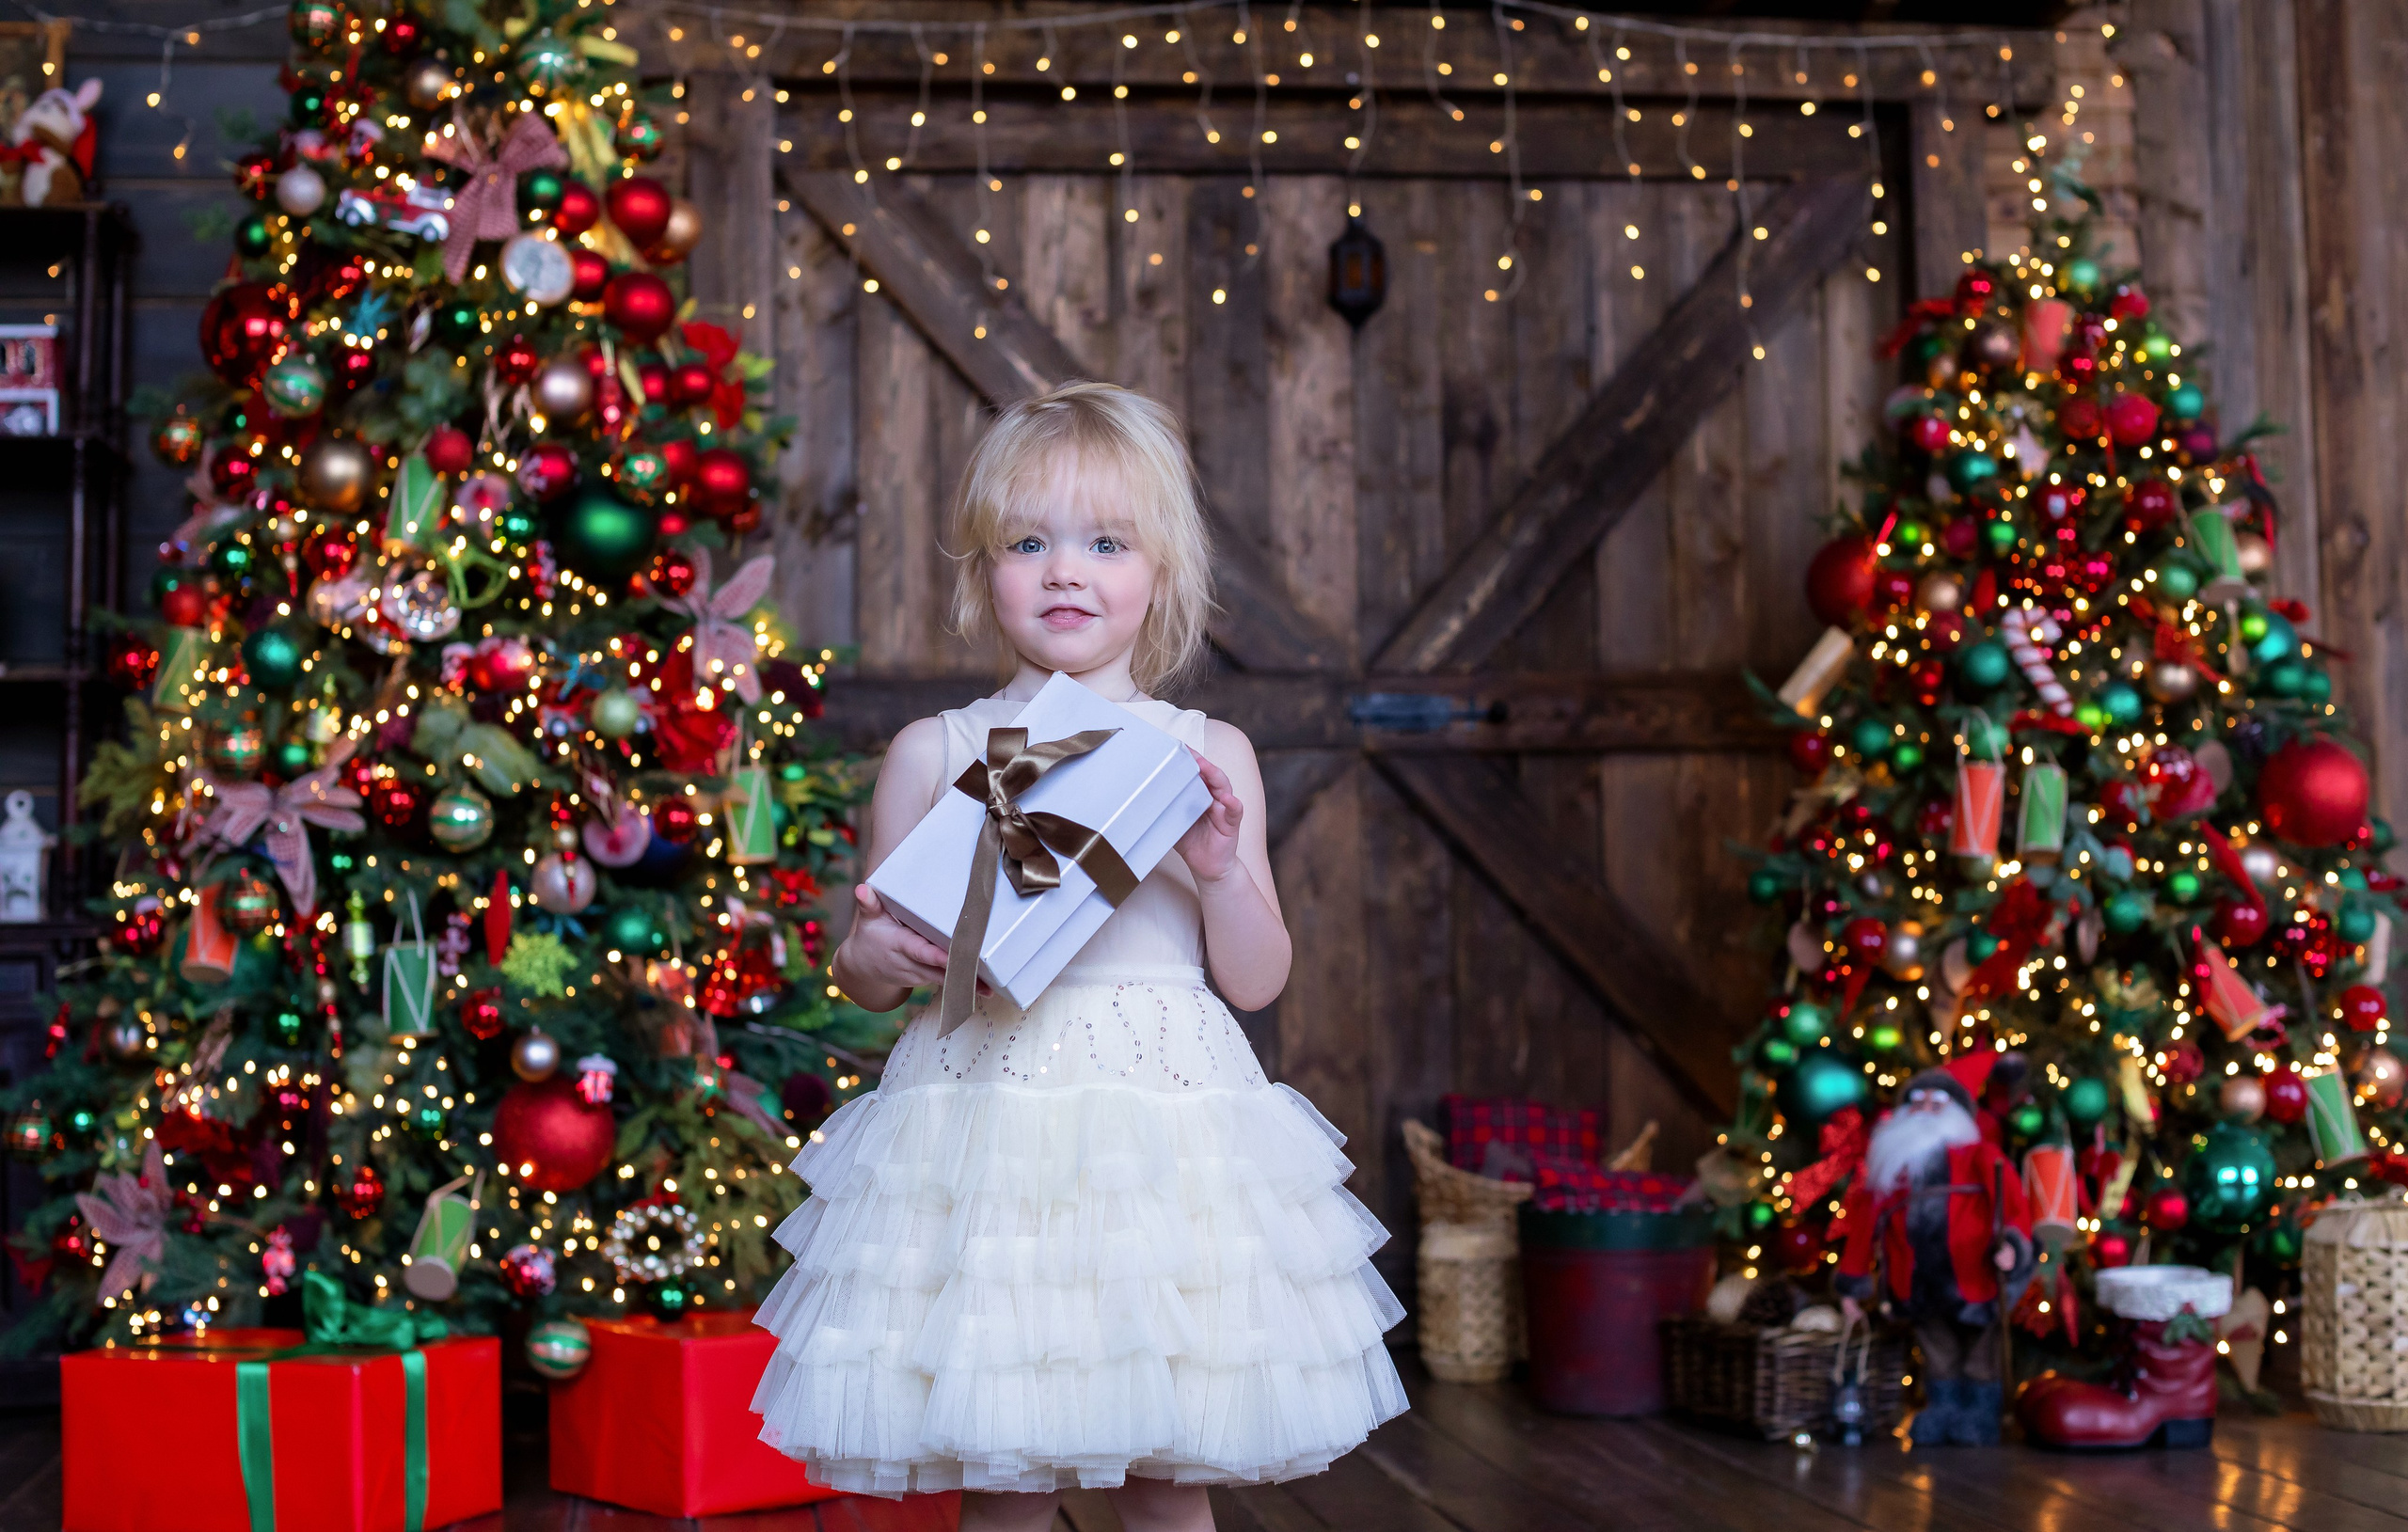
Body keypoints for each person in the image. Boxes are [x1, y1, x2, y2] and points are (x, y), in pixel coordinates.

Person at [749, 383, 1408, 1530]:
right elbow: (867, 975)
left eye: (1107, 542)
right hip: (985, 1124)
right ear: (982, 570)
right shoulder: (937, 749)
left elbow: (1254, 979)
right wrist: (868, 948)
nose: (1066, 571)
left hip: (1162, 1129)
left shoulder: (1205, 754)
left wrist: (1217, 865)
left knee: (1167, 1477)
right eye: (1029, 542)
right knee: (1007, 1471)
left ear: (1160, 573)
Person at [1835, 1067, 2034, 1446]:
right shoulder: (1893, 1164)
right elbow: (1865, 1226)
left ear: (1957, 1112)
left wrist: (2012, 1245)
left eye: (1937, 1103)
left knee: (1981, 1351)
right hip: (1916, 1281)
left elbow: (2013, 1206)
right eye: (1917, 1102)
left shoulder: (1980, 1156)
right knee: (1936, 1350)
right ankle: (1942, 1409)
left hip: (1976, 1278)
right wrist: (1853, 1284)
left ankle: (1979, 1413)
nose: (1926, 1109)